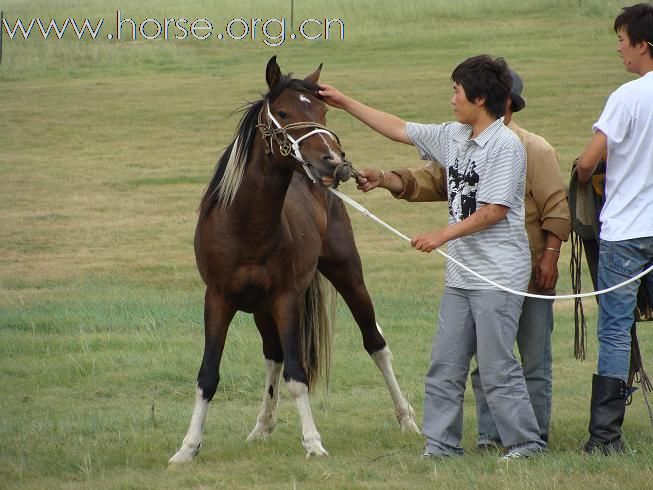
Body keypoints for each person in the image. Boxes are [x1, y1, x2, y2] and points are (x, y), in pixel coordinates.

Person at [319, 55, 546, 460]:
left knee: (497, 367)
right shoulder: (453, 136)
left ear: (479, 97)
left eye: (457, 90)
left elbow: (495, 210)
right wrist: (345, 103)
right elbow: (399, 128)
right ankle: (442, 445)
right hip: (461, 275)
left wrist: (441, 235)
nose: (452, 98)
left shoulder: (506, 146)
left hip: (497, 276)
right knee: (445, 364)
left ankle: (525, 444)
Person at [576, 3, 653, 454]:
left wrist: (586, 177)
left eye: (622, 41)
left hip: (626, 231)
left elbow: (588, 161)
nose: (619, 50)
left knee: (616, 330)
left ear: (643, 45)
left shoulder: (627, 96)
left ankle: (606, 437)